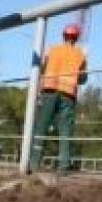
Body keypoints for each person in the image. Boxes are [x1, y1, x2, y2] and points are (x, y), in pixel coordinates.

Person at [30, 23, 88, 174]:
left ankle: (34, 164)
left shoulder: (52, 50)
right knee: (65, 130)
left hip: (49, 91)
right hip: (68, 94)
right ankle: (63, 167)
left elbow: (42, 69)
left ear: (64, 36)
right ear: (76, 38)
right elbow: (83, 78)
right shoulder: (80, 54)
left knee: (41, 127)